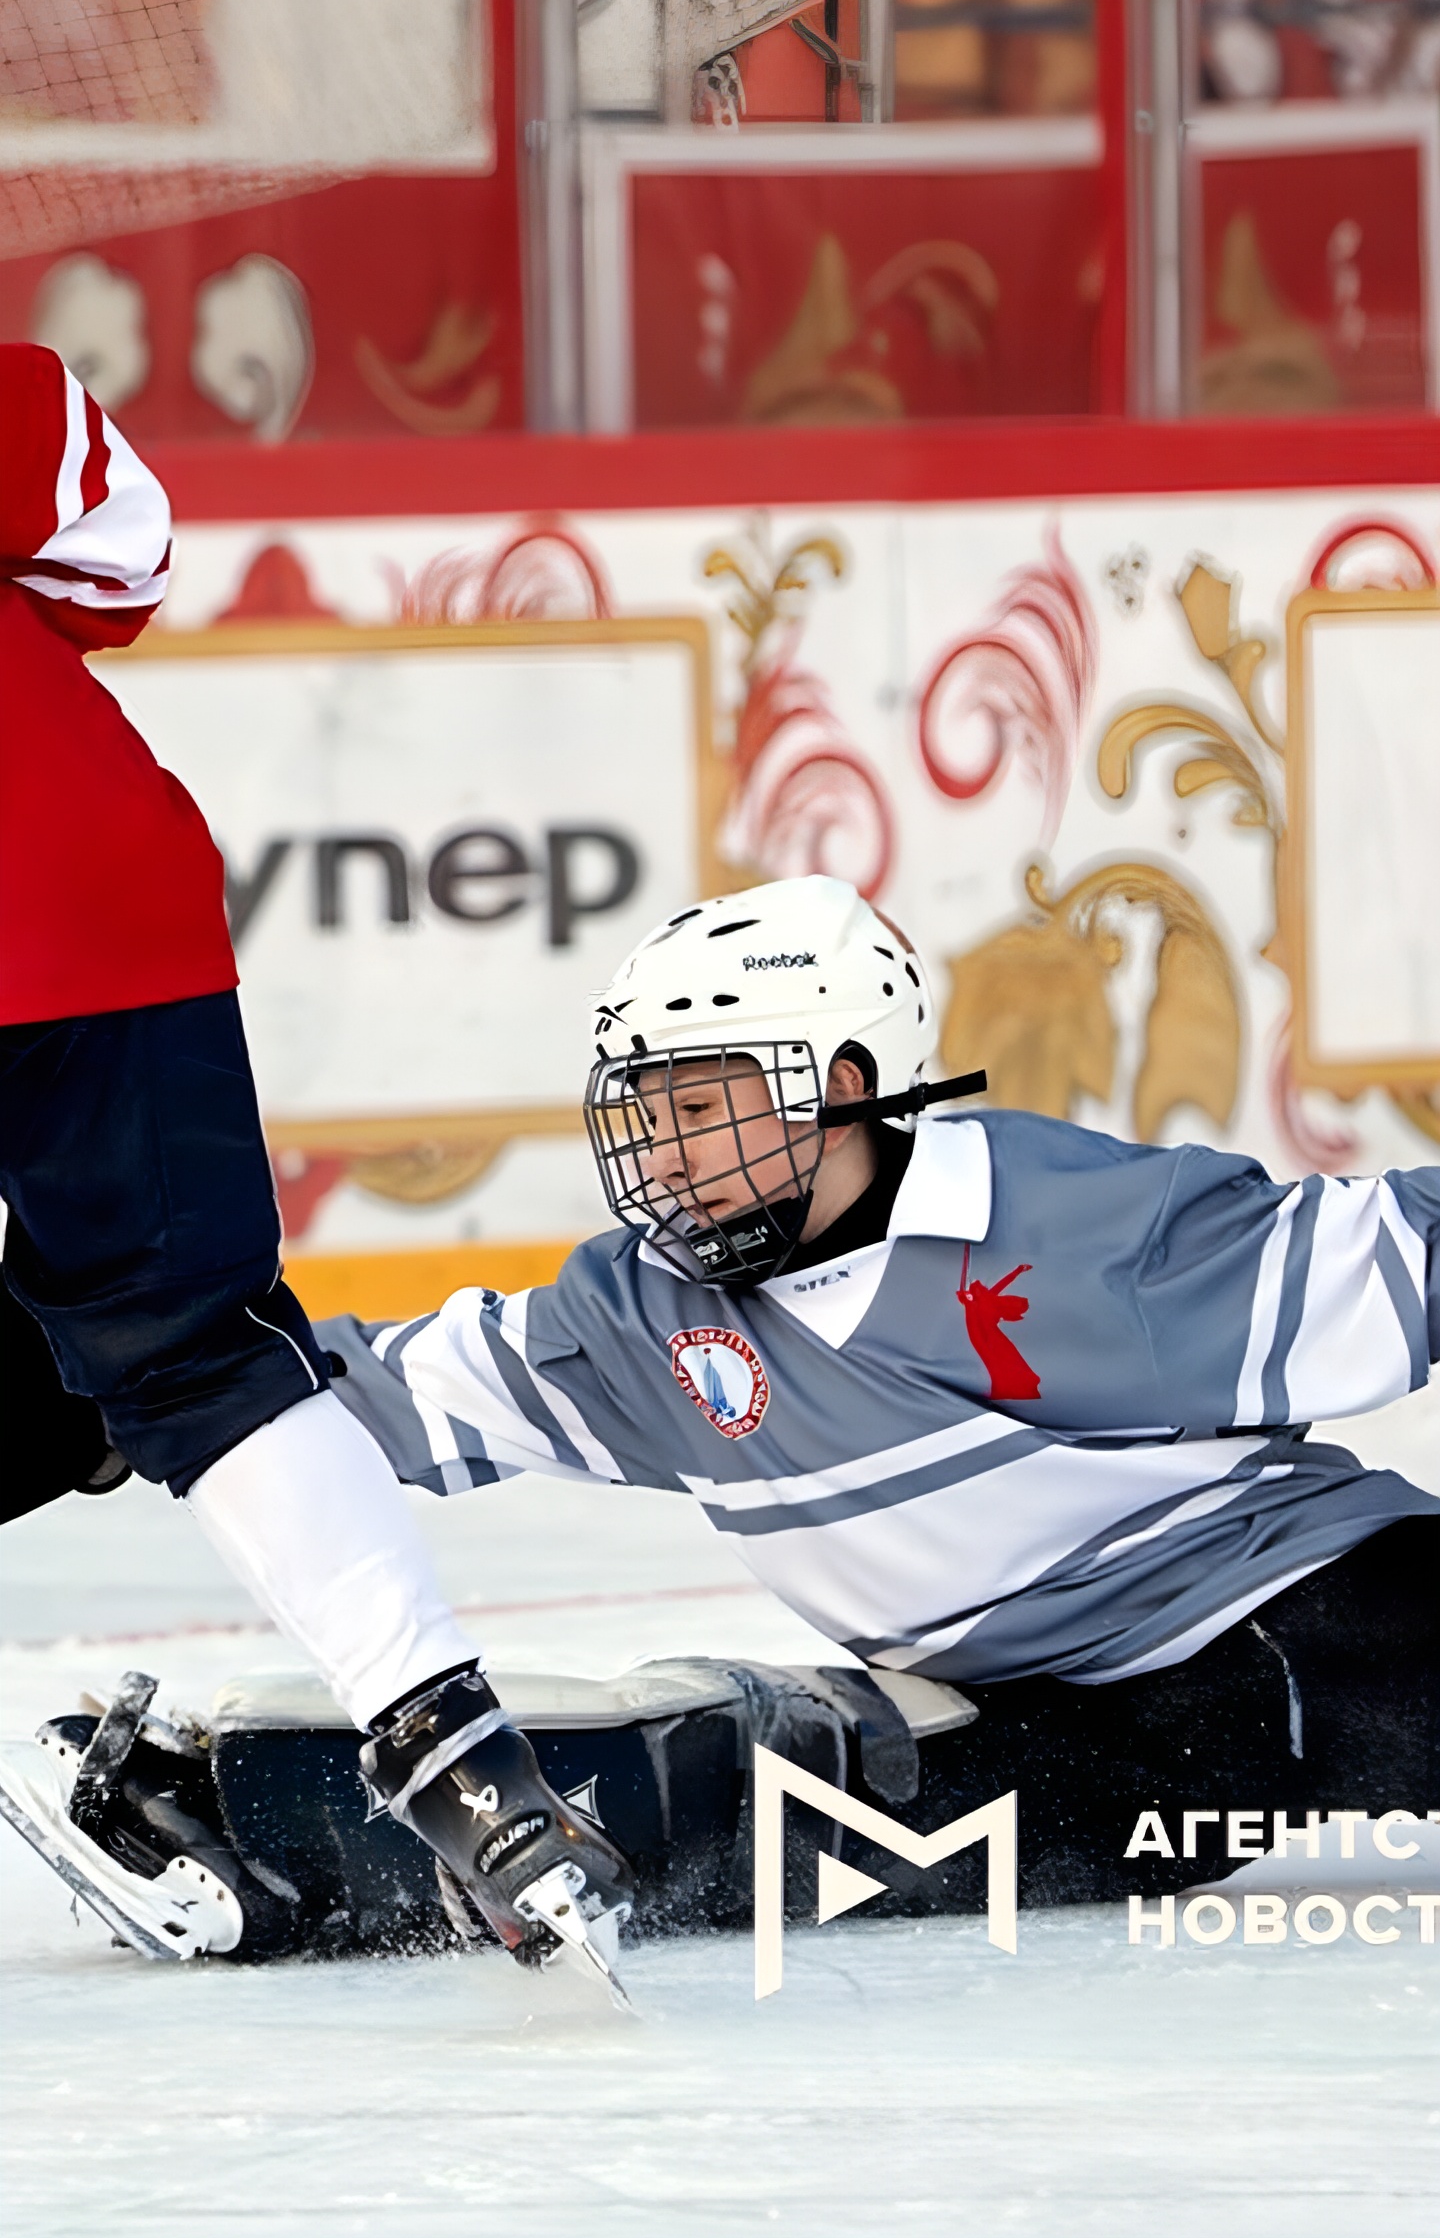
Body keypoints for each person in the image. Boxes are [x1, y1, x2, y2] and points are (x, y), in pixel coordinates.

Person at [317, 872, 1440, 1898]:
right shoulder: (636, 1316)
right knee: (742, 1820)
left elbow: (1406, 1257)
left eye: (700, 1112)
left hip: (1305, 1613)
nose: (662, 1157)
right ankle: (272, 1838)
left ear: (840, 1086)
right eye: (647, 1116)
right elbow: (364, 1394)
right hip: (1067, 1723)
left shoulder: (1069, 1225)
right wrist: (157, 1394)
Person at [0, 344, 632, 1977]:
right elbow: (120, 563)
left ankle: (67, 1401)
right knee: (197, 1348)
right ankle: (475, 1777)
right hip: (74, 874)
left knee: (150, 1347)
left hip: (74, 889)